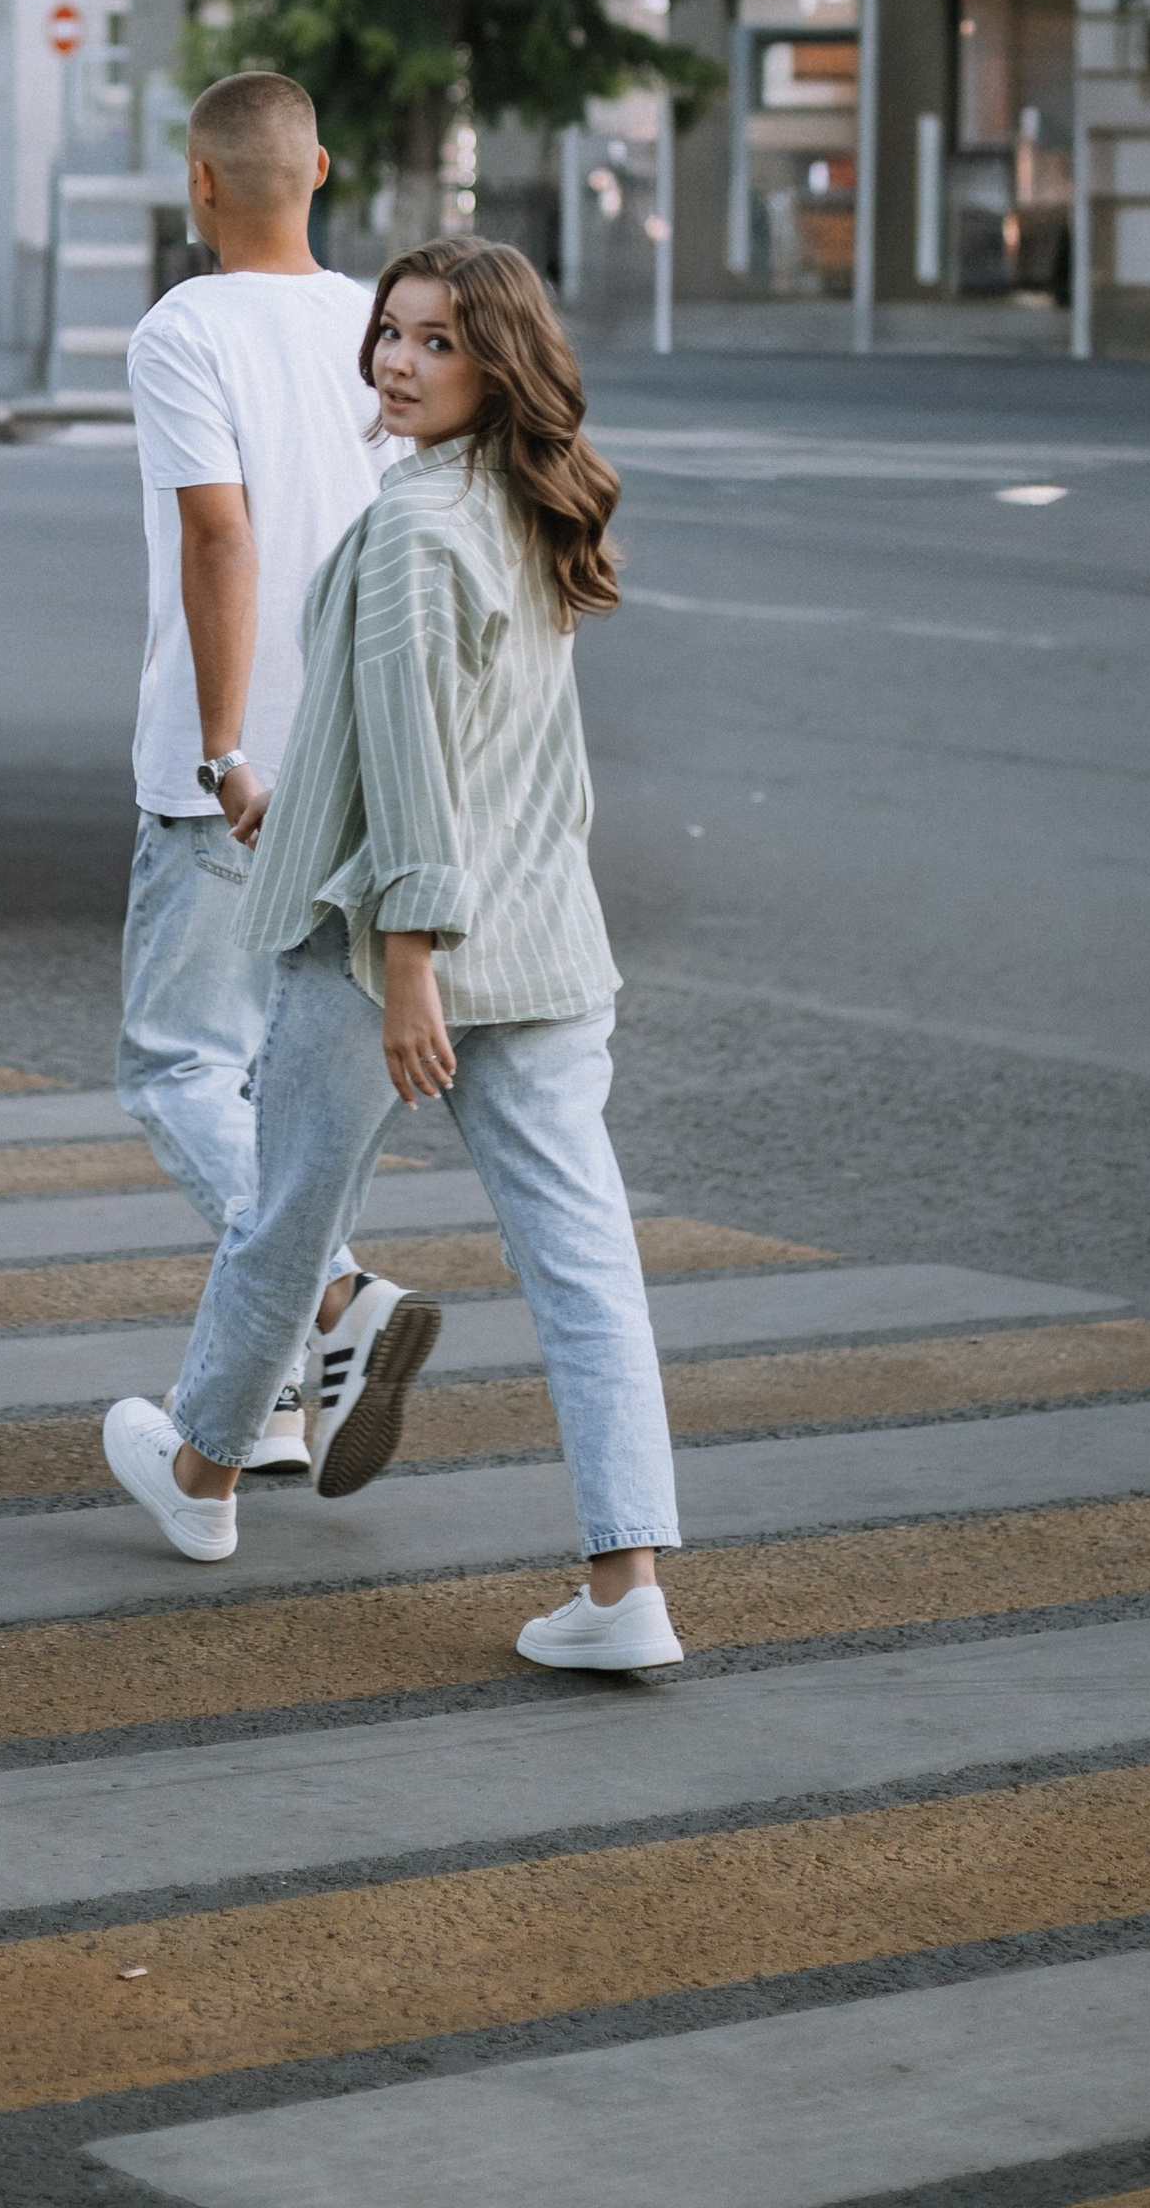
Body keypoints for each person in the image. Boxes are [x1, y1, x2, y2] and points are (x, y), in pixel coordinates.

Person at [103, 232, 685, 1675]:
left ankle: (202, 1480)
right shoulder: (523, 504)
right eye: (393, 334)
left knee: (285, 1219)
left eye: (436, 342)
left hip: (387, 953)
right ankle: (629, 1588)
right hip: (547, 943)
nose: (399, 364)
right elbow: (484, 756)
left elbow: (423, 773)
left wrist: (412, 962)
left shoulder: (412, 532)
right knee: (584, 1262)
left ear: (500, 365)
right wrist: (285, 809)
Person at [119, 70, 398, 1474]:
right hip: (365, 760)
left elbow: (218, 539)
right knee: (287, 1091)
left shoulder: (183, 330)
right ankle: (270, 1408)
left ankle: (334, 1291)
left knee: (179, 1065)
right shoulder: (380, 328)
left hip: (233, 776)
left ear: (198, 182)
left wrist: (224, 746)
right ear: (322, 170)